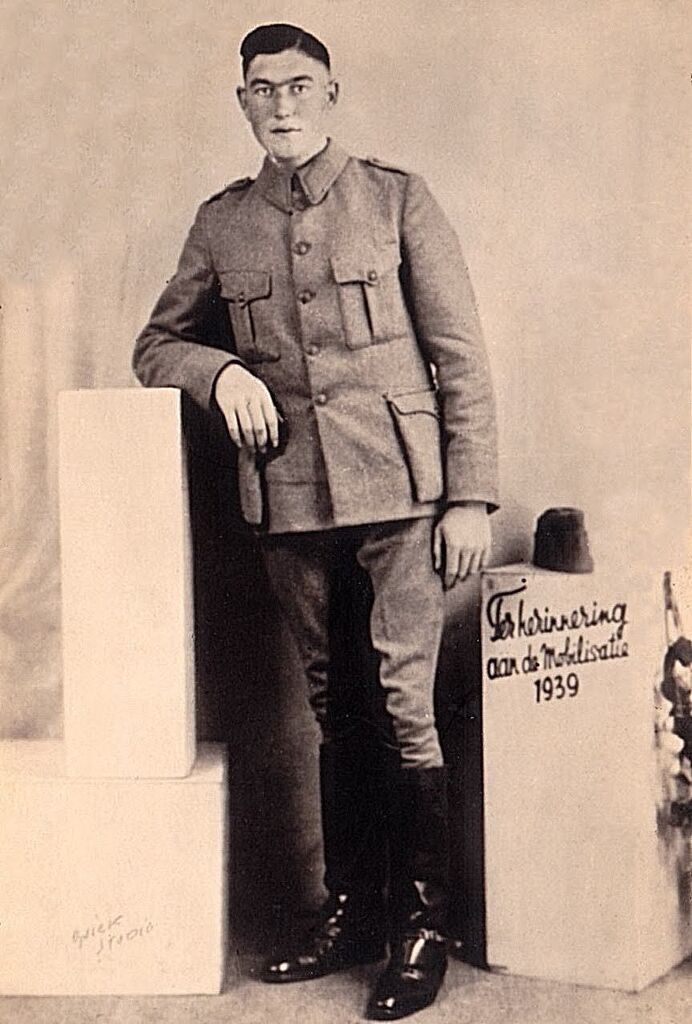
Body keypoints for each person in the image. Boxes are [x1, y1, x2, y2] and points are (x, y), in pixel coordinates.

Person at [133, 23, 498, 1020]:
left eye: (299, 86)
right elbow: (156, 345)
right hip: (289, 498)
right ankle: (354, 912)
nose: (281, 104)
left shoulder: (396, 199)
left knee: (404, 704)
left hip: (402, 494)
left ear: (331, 95)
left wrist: (469, 495)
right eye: (263, 90)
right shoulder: (223, 223)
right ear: (243, 104)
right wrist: (221, 372)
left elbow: (459, 355)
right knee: (334, 705)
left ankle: (420, 926)